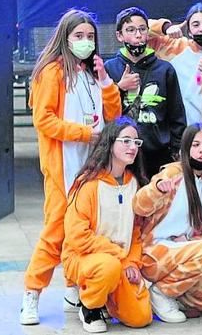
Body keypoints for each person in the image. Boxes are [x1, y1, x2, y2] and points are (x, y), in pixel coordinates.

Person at [20, 9, 122, 326]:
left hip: (93, 168)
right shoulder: (51, 72)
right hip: (63, 167)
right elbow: (44, 120)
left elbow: (114, 113)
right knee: (56, 233)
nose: (85, 41)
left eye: (90, 36)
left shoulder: (92, 72)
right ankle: (31, 295)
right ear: (65, 38)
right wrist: (84, 134)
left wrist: (106, 80)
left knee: (86, 231)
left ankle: (73, 291)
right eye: (78, 36)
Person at [133, 123, 202, 323]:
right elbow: (139, 206)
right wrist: (157, 189)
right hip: (154, 253)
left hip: (190, 253)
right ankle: (161, 292)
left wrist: (194, 240)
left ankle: (181, 295)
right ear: (185, 148)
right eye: (196, 144)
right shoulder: (172, 173)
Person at [62, 117, 151, 333]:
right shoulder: (89, 184)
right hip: (84, 258)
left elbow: (136, 232)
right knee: (107, 267)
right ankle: (89, 306)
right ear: (110, 143)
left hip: (120, 261)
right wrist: (119, 256)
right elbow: (77, 236)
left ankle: (105, 297)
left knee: (141, 317)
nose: (132, 147)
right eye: (126, 141)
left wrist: (132, 262)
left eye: (136, 143)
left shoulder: (134, 183)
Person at [104, 6, 186, 178]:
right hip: (120, 156)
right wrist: (120, 88)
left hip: (158, 155)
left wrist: (177, 149)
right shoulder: (109, 68)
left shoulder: (165, 70)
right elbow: (103, 112)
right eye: (130, 30)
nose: (138, 35)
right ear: (119, 35)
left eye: (142, 29)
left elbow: (176, 115)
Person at [147, 2, 202, 126]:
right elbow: (140, 28)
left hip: (200, 136)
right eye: (195, 25)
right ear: (189, 31)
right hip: (168, 134)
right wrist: (166, 27)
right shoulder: (174, 46)